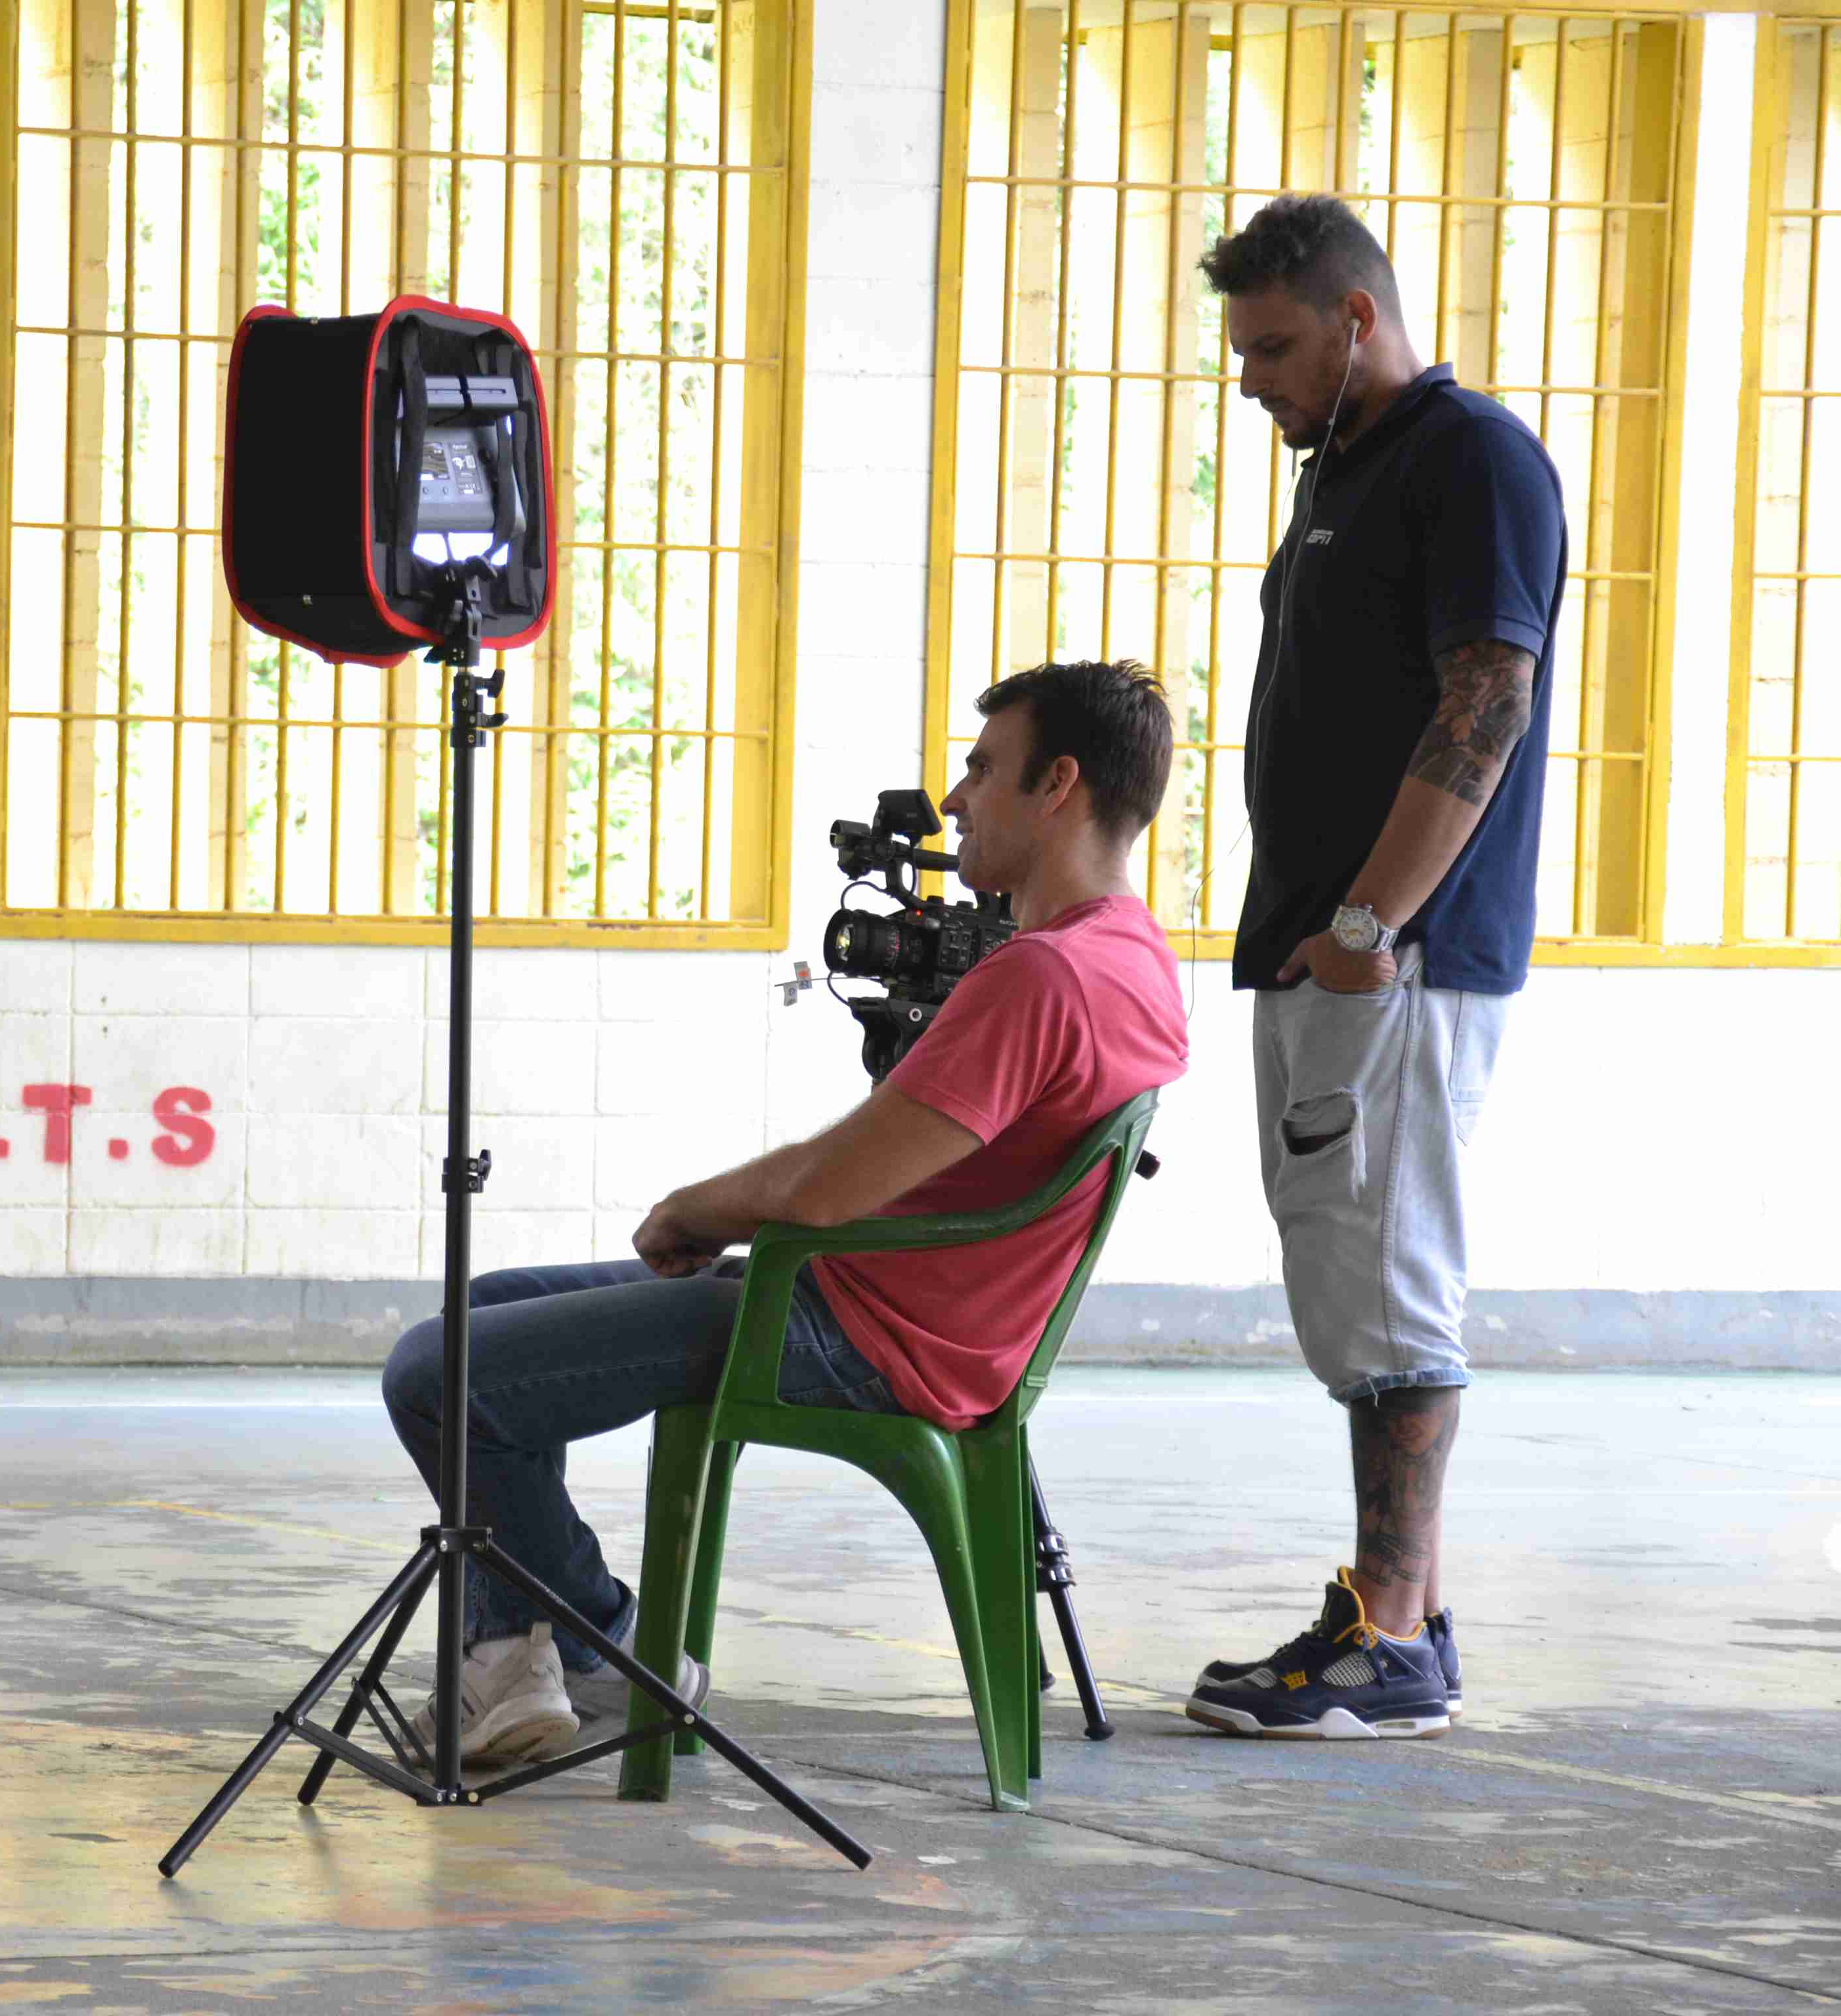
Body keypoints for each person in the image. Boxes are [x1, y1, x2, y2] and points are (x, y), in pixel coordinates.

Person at [382, 660, 1189, 1765]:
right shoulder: (1136, 960)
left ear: (1059, 785)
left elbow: (829, 1189)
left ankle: (581, 1653)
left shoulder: (1039, 978)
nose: (955, 800)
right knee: (489, 1310)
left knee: (441, 1372)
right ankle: (561, 1656)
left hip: (858, 1329)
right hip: (906, 1310)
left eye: (981, 767)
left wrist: (692, 1209)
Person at [1183, 196, 1562, 1741]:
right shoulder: (1346, 468)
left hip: (1391, 962)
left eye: (1274, 347)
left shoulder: (1471, 456)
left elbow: (1490, 694)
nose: (1253, 379)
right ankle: (1388, 1613)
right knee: (1346, 1281)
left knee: (1395, 1290)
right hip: (1325, 953)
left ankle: (1392, 1640)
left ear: (1354, 320)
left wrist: (1367, 929)